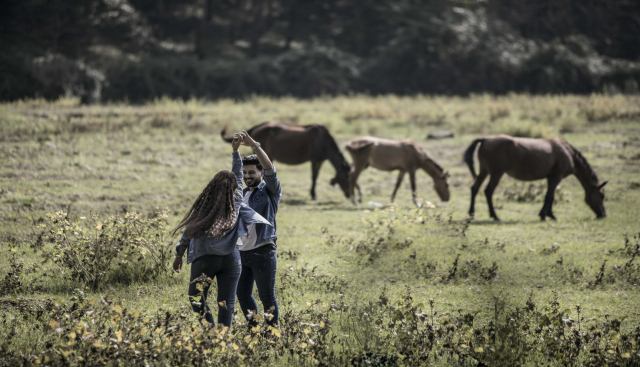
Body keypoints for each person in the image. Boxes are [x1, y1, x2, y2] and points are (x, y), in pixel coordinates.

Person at [173, 133, 271, 327]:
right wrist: (235, 152)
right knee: (226, 303)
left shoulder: (204, 207)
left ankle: (209, 329)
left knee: (196, 297)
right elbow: (238, 177)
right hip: (232, 260)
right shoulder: (236, 201)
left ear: (211, 187)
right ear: (234, 187)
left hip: (204, 260)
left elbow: (188, 233)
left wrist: (179, 254)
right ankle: (223, 338)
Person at [236, 132, 282, 327]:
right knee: (242, 294)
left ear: (260, 172)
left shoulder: (269, 191)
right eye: (245, 173)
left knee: (266, 296)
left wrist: (254, 145)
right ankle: (254, 329)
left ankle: (273, 333)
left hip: (263, 252)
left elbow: (271, 169)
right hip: (241, 253)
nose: (248, 176)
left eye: (252, 173)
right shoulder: (242, 193)